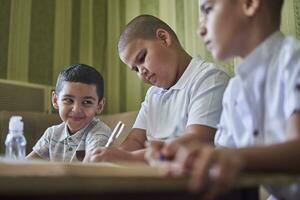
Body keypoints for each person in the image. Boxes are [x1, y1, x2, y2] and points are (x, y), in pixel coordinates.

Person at [164, 0, 300, 199]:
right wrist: (182, 155)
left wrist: (239, 157)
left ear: (249, 4)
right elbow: (224, 152)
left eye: (208, 10)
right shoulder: (235, 90)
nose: (200, 29)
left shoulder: (293, 61)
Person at [88, 14, 230, 163]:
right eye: (135, 69)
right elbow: (135, 141)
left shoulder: (209, 78)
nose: (142, 72)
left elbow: (196, 143)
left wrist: (128, 157)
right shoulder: (153, 95)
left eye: (142, 58)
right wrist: (111, 156)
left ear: (163, 38)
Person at [26, 64, 111, 162]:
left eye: (87, 102)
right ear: (55, 100)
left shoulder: (100, 133)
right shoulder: (52, 134)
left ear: (99, 106)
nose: (76, 109)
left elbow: (88, 170)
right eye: (69, 100)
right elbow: (26, 165)